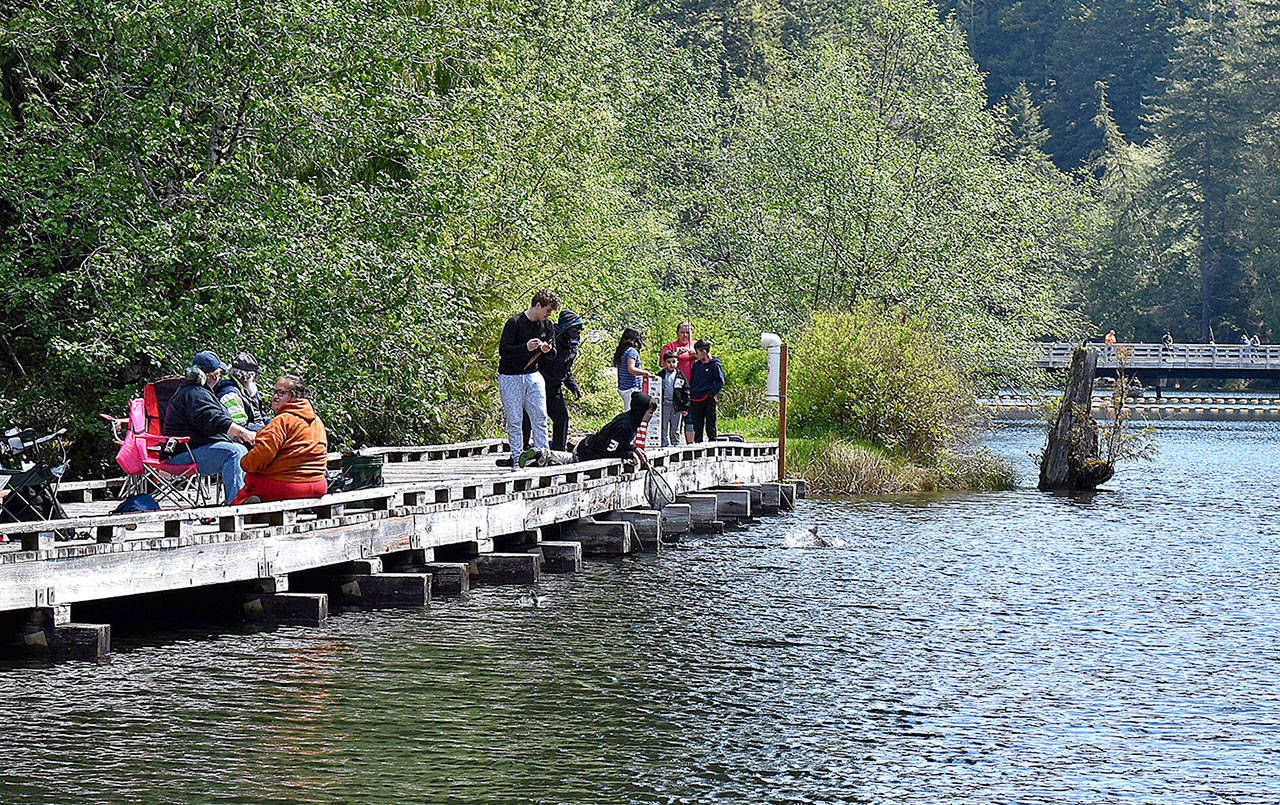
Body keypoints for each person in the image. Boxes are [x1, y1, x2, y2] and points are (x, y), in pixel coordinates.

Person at [162, 351, 256, 503]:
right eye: (218, 373)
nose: (219, 378)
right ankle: (237, 504)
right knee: (234, 452)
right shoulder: (193, 394)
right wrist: (245, 433)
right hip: (180, 456)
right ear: (212, 376)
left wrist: (236, 436)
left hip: (194, 450)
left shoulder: (199, 391)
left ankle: (248, 497)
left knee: (239, 447)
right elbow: (216, 421)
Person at [231, 375, 329, 504]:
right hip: (319, 485)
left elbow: (261, 455)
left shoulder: (282, 421)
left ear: (297, 396)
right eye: (275, 392)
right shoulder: (317, 420)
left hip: (291, 486)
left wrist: (244, 462)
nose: (275, 397)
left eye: (281, 393)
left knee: (252, 479)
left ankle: (247, 508)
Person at [497, 290, 559, 467]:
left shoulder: (547, 326)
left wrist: (548, 351)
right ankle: (517, 457)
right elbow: (504, 351)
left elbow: (553, 354)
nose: (549, 315)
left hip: (533, 375)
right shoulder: (514, 323)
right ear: (538, 305)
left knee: (540, 417)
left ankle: (543, 456)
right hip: (510, 376)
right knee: (515, 419)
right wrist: (525, 347)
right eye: (547, 310)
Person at [518, 393, 656, 467]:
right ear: (641, 411)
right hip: (588, 451)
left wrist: (633, 449)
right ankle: (541, 455)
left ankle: (542, 456)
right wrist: (628, 455)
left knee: (568, 460)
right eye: (650, 413)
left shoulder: (630, 420)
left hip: (589, 446)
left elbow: (620, 443)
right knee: (571, 461)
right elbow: (608, 451)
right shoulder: (625, 426)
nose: (651, 416)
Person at [522, 309, 584, 452]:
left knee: (562, 418)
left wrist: (573, 386)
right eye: (576, 328)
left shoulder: (572, 345)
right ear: (566, 327)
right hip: (537, 385)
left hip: (554, 387)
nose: (579, 331)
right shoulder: (550, 338)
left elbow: (566, 369)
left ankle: (558, 451)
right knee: (529, 419)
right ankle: (521, 450)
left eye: (581, 328)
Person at [214, 352, 265, 431]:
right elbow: (240, 427)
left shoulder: (247, 391)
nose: (255, 381)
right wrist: (267, 430)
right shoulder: (230, 395)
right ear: (248, 376)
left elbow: (261, 416)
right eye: (255, 376)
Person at [687, 339, 724, 442]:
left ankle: (712, 445)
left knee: (710, 424)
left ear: (704, 352)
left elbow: (720, 382)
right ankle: (698, 446)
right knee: (697, 425)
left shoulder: (715, 365)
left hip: (708, 398)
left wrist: (711, 394)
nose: (696, 354)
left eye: (697, 352)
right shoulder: (696, 364)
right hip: (695, 398)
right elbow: (693, 380)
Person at [614, 327, 653, 409]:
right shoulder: (632, 351)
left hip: (624, 387)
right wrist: (645, 373)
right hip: (631, 389)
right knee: (630, 414)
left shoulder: (622, 351)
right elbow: (631, 369)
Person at [657, 350, 690, 447]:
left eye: (673, 362)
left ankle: (675, 444)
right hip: (664, 404)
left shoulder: (680, 375)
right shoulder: (661, 375)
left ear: (677, 362)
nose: (671, 364)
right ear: (664, 363)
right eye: (669, 362)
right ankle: (664, 444)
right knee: (663, 426)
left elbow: (686, 391)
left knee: (676, 427)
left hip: (677, 405)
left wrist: (685, 407)